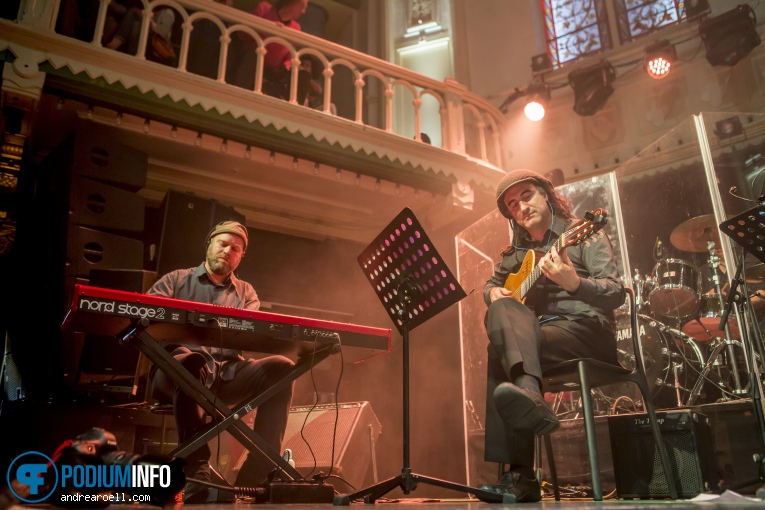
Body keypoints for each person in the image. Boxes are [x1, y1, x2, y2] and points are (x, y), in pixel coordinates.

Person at [478, 169, 624, 502]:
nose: (521, 207)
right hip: (541, 338)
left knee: (501, 351)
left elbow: (616, 292)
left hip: (587, 331)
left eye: (526, 195)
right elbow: (489, 285)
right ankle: (522, 471)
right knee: (498, 320)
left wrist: (575, 283)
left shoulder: (581, 232)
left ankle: (519, 471)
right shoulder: (516, 256)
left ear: (546, 194)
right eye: (512, 205)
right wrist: (492, 295)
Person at [147, 221, 295, 503]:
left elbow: (249, 334)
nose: (228, 251)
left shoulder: (246, 293)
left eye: (236, 249)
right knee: (191, 360)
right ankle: (196, 469)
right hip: (176, 374)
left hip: (227, 376)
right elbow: (145, 319)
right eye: (223, 244)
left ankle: (258, 471)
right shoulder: (175, 280)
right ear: (209, 244)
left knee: (282, 367)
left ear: (241, 257)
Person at [230, 0, 311, 102]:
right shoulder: (264, 9)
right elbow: (242, 34)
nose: (303, 11)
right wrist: (269, 29)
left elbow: (289, 55)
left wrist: (288, 64)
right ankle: (238, 96)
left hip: (275, 72)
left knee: (303, 75)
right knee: (253, 55)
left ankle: (293, 109)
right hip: (253, 63)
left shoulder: (296, 28)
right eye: (302, 6)